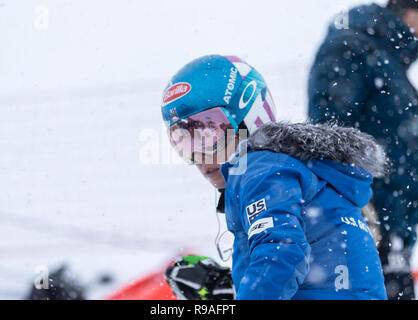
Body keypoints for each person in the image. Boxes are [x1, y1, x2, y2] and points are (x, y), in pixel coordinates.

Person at [161, 54, 387, 300]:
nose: (198, 154)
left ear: (248, 116)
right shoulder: (299, 170)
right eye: (182, 140)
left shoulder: (258, 167)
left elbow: (281, 253)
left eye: (207, 133)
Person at [308, 1, 418, 299]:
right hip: (366, 229)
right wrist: (362, 218)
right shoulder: (351, 46)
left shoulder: (390, 65)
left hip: (392, 231)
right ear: (406, 10)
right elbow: (329, 136)